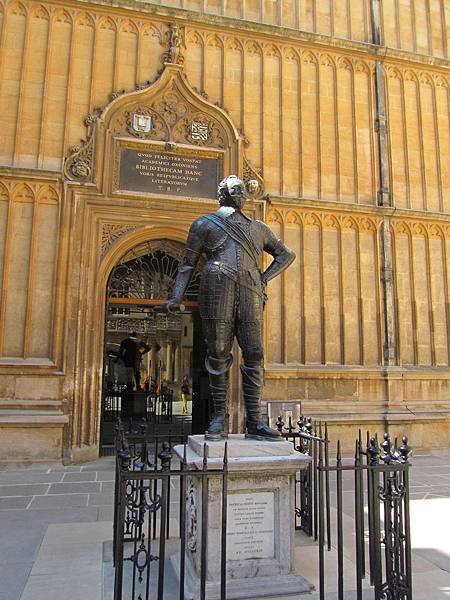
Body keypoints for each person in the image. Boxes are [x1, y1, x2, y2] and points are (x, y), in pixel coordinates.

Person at [163, 175, 295, 441]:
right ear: (221, 194)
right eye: (234, 190)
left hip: (250, 291)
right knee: (218, 352)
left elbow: (285, 254)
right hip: (216, 289)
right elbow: (188, 263)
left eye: (242, 191)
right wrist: (176, 296)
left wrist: (263, 277)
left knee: (255, 352)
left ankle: (254, 421)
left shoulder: (259, 228)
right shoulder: (204, 224)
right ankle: (219, 418)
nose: (240, 195)